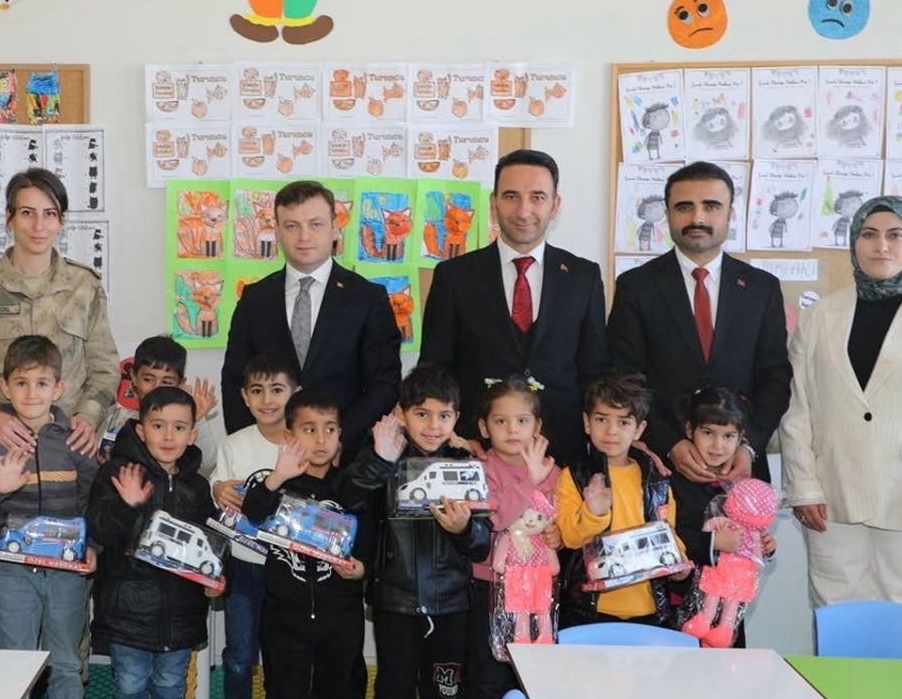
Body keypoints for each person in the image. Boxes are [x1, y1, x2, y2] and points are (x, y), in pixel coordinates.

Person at [781, 196, 902, 609]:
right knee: (835, 613)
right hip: (831, 496)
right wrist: (802, 487)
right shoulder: (819, 316)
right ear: (854, 242)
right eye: (869, 234)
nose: (881, 246)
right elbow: (797, 408)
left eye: (895, 235)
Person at [608, 161, 791, 570]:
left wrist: (748, 444)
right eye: (684, 207)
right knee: (662, 584)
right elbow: (625, 379)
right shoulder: (636, 286)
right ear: (668, 213)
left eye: (711, 206)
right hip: (662, 468)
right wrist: (671, 442)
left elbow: (776, 378)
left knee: (731, 590)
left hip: (737, 472)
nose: (697, 217)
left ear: (730, 213)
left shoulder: (761, 288)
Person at [420, 149, 608, 468]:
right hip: (476, 453)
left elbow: (594, 372)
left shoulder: (583, 277)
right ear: (493, 204)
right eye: (511, 196)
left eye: (537, 197)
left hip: (561, 455)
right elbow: (435, 370)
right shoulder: (454, 276)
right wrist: (452, 437)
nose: (523, 211)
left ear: (555, 205)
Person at [0, 167, 118, 456]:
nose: (38, 226)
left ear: (61, 221)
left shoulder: (84, 286)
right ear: (9, 218)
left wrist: (87, 417)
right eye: (27, 213)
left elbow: (104, 368)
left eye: (49, 214)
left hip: (66, 446)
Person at [222, 179, 401, 462]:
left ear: (335, 227)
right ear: (277, 232)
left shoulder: (367, 298)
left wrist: (335, 439)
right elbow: (235, 381)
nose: (303, 236)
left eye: (315, 224)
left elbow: (385, 384)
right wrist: (253, 447)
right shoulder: (255, 298)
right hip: (270, 459)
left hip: (345, 458)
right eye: (292, 226)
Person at [343, 364, 491, 699]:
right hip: (395, 602)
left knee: (446, 690)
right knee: (393, 686)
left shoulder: (465, 464)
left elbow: (482, 545)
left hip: (452, 603)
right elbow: (349, 498)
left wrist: (464, 529)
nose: (433, 426)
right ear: (402, 413)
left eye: (444, 416)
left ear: (456, 418)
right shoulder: (383, 455)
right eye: (422, 414)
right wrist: (379, 459)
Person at [0, 336, 98, 699]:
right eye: (21, 383)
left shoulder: (75, 439)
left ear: (58, 389)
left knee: (66, 661)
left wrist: (93, 545)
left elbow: (94, 499)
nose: (31, 393)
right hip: (13, 571)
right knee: (15, 660)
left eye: (42, 383)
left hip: (66, 571)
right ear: (5, 387)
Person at [87, 386, 219, 699]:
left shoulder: (198, 486)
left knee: (170, 685)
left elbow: (213, 543)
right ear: (140, 430)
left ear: (192, 435)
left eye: (179, 427)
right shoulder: (119, 474)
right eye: (158, 425)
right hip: (128, 612)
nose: (169, 436)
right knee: (130, 684)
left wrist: (219, 578)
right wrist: (128, 506)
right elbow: (99, 528)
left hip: (182, 613)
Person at [241, 390, 371, 699]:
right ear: (289, 436)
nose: (321, 439)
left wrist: (361, 570)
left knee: (340, 687)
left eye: (330, 429)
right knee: (284, 689)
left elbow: (368, 541)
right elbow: (252, 513)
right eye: (309, 429)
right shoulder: (278, 484)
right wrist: (277, 476)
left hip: (341, 616)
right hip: (284, 617)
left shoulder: (350, 485)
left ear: (340, 434)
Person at [557, 374, 690, 629]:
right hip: (590, 610)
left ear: (639, 429)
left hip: (650, 610)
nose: (612, 431)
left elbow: (668, 534)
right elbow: (570, 538)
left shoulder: (657, 480)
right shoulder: (574, 476)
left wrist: (679, 564)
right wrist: (594, 513)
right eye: (601, 419)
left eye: (623, 422)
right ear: (586, 422)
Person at [209, 354, 300, 699]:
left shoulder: (304, 444)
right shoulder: (234, 444)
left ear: (295, 394)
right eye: (257, 390)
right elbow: (219, 494)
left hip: (291, 568)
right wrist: (217, 489)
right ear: (245, 397)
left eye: (277, 389)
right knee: (239, 655)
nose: (267, 399)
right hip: (244, 566)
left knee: (284, 655)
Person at [466, 377, 560, 698]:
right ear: (484, 427)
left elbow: (558, 521)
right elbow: (495, 518)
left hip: (539, 589)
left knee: (533, 675)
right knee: (488, 674)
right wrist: (530, 481)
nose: (512, 430)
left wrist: (557, 535)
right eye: (500, 421)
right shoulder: (479, 470)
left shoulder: (553, 471)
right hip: (489, 587)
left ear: (537, 426)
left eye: (522, 421)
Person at [676, 387, 777, 646]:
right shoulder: (673, 480)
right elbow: (669, 536)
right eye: (708, 433)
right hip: (682, 603)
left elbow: (751, 539)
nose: (718, 445)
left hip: (729, 611)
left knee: (727, 663)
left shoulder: (745, 484)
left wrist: (764, 546)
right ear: (689, 430)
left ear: (741, 438)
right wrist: (713, 542)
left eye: (729, 436)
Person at [99, 335, 220, 467]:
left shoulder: (186, 420)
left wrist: (195, 419)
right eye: (148, 379)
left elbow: (208, 461)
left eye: (166, 382)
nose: (156, 388)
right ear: (133, 377)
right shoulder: (115, 419)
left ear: (180, 384)